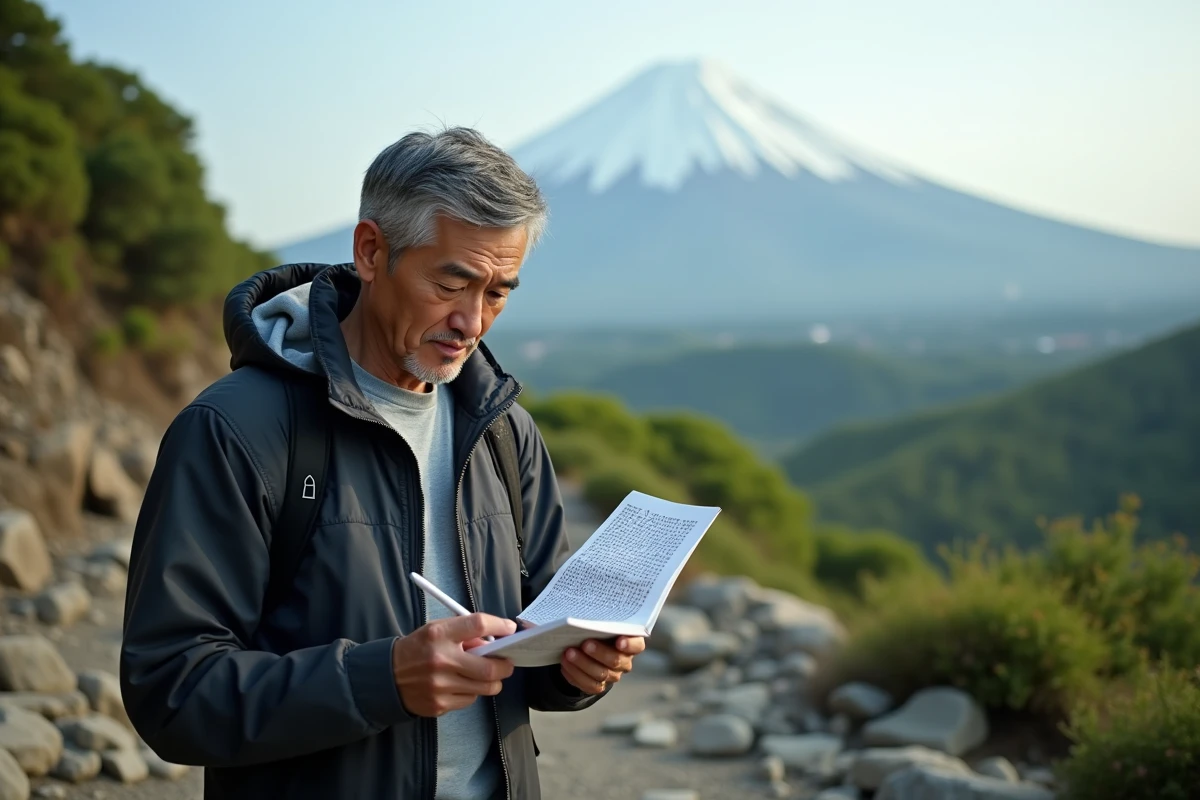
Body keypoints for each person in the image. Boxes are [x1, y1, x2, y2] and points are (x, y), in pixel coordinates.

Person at [120, 127, 644, 799]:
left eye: (498, 293)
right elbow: (172, 691)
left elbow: (531, 661)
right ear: (371, 251)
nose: (472, 321)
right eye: (451, 283)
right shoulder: (235, 429)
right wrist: (384, 679)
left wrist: (577, 668)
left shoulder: (505, 435)